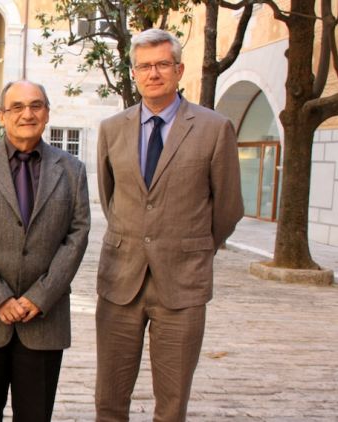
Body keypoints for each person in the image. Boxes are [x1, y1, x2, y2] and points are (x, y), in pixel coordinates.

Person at [95, 28, 244, 421]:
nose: (153, 73)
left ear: (179, 70)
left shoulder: (214, 129)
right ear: (134, 73)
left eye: (162, 64)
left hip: (182, 283)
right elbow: (110, 197)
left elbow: (228, 207)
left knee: (172, 402)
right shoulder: (111, 129)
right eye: (144, 66)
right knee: (108, 399)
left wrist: (190, 246)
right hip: (120, 281)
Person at [0, 80, 90, 421]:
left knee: (35, 416)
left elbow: (77, 235)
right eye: (17, 107)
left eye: (36, 105)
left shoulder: (72, 170)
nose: (27, 114)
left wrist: (40, 297)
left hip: (44, 319)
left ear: (47, 113)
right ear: (1, 115)